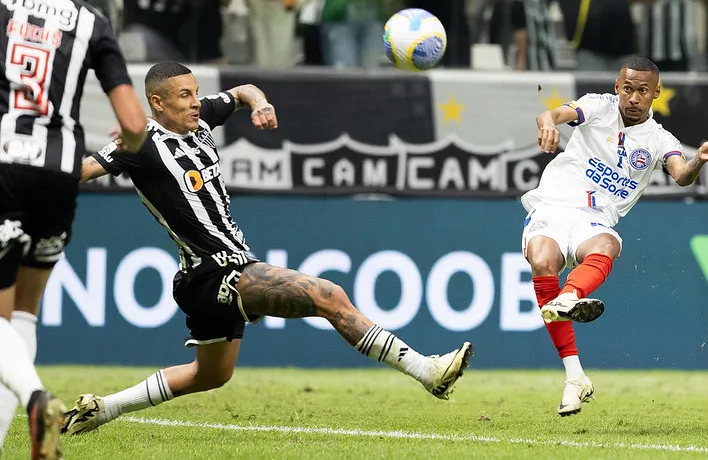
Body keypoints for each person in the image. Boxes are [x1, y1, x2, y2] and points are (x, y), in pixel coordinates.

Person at [60, 62, 474, 436]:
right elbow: (81, 171)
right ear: (157, 103)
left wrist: (260, 103)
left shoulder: (200, 119)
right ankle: (428, 370)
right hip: (213, 272)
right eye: (184, 96)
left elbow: (241, 92)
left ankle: (105, 408)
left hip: (218, 271)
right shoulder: (138, 143)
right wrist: (36, 158)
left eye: (196, 92)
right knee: (328, 295)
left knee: (211, 375)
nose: (195, 103)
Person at [0, 0, 148, 456]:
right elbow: (132, 122)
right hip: (61, 173)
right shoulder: (93, 21)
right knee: (24, 313)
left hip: (5, 162)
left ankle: (37, 397)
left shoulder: (1, 2)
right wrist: (129, 140)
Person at [520, 55, 708, 416]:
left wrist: (698, 159)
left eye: (642, 91)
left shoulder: (660, 140)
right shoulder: (596, 107)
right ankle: (575, 377)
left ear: (656, 94)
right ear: (617, 87)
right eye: (627, 88)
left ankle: (569, 295)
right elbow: (551, 115)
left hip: (595, 219)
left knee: (607, 244)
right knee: (542, 260)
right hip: (553, 204)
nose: (633, 97)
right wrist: (548, 124)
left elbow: (681, 175)